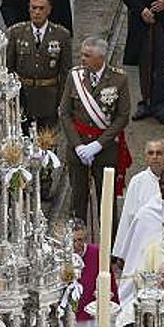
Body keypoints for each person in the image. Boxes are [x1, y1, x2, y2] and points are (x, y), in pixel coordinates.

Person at [61, 37, 132, 221]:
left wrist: (98, 145)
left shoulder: (119, 79)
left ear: (101, 58)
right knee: (77, 201)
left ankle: (108, 246)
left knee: (106, 203)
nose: (82, 59)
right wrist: (77, 145)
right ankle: (77, 245)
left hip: (106, 149)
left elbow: (123, 116)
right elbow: (65, 113)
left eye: (87, 55)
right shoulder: (74, 76)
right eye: (82, 54)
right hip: (78, 148)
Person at [4, 0, 74, 132]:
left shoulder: (61, 35)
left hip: (48, 99)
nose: (37, 12)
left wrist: (63, 101)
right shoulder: (16, 33)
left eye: (41, 8)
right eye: (33, 8)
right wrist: (9, 97)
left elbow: (66, 72)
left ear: (49, 10)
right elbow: (8, 67)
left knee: (46, 142)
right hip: (22, 97)